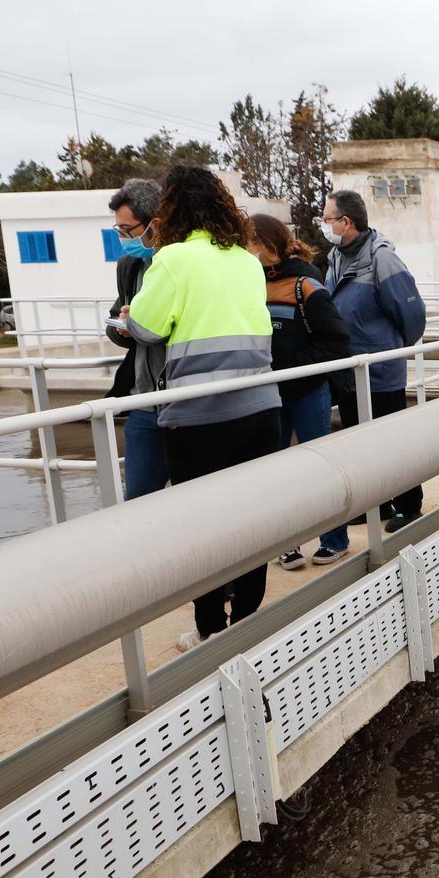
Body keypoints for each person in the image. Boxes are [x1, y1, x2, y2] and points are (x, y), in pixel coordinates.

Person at [123, 166, 281, 651]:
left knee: (203, 531)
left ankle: (211, 628)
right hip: (260, 409)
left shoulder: (172, 260)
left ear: (170, 209)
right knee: (253, 523)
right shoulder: (246, 260)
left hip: (198, 418)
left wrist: (128, 317)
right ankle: (248, 622)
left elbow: (148, 330)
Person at [247, 213, 352, 568]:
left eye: (247, 242)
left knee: (319, 469)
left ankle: (334, 538)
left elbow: (337, 341)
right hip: (269, 393)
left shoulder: (305, 284)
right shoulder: (250, 282)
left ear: (262, 243)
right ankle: (287, 543)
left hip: (307, 391)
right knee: (275, 473)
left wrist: (292, 368)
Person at [321, 189, 427, 530]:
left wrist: (391, 350)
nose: (324, 226)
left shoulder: (382, 259)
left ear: (346, 222)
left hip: (380, 372)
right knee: (359, 441)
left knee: (392, 443)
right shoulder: (336, 257)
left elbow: (412, 315)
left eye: (327, 220)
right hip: (349, 370)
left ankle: (408, 505)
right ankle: (376, 503)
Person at [102, 178, 169, 500]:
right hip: (142, 398)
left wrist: (145, 324)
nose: (123, 238)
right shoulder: (129, 265)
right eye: (118, 230)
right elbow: (117, 316)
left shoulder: (177, 261)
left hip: (184, 392)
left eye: (127, 230)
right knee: (139, 498)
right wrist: (122, 327)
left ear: (155, 223)